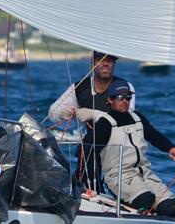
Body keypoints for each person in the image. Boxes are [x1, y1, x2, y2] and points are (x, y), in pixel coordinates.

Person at [83, 80, 175, 217]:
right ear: (110, 100)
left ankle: (149, 213)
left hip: (144, 174)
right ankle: (142, 209)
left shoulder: (138, 118)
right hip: (119, 177)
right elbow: (88, 150)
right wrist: (94, 184)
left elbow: (153, 135)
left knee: (172, 208)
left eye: (128, 97)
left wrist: (171, 148)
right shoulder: (104, 124)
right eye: (119, 97)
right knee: (146, 199)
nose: (124, 101)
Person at [48, 51, 136, 190]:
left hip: (117, 145)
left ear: (114, 64)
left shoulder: (124, 87)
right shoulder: (80, 87)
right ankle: (86, 190)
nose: (105, 63)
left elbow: (127, 120)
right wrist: (62, 112)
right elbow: (52, 111)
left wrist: (94, 114)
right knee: (86, 149)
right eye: (100, 60)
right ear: (92, 64)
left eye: (110, 60)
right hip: (90, 147)